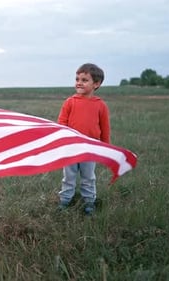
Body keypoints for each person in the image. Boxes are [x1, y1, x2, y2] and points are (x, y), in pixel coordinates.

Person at [56, 63, 110, 215]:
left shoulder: (100, 105)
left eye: (84, 80)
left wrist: (105, 148)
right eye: (77, 79)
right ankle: (65, 200)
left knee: (88, 177)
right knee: (69, 176)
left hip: (90, 148)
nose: (79, 82)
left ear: (96, 84)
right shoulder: (70, 102)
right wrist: (61, 142)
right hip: (71, 147)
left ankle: (89, 202)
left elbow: (105, 128)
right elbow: (61, 123)